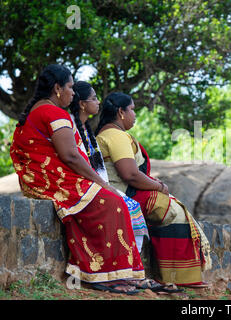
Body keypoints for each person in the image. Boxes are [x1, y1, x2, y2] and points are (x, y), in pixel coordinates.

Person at [10, 64, 144, 295]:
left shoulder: (45, 110)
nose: (73, 93)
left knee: (115, 201)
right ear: (57, 88)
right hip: (50, 179)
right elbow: (71, 156)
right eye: (70, 87)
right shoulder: (52, 112)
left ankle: (114, 273)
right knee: (111, 203)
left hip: (44, 177)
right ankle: (100, 274)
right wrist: (101, 183)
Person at [95, 92, 212, 288]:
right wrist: (159, 187)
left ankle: (173, 276)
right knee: (173, 211)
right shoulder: (115, 135)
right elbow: (130, 174)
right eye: (132, 109)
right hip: (122, 193)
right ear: (121, 112)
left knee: (173, 207)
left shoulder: (111, 134)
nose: (134, 114)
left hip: (125, 191)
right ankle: (176, 278)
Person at [68, 81, 149, 254]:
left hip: (97, 184)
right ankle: (125, 268)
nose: (98, 102)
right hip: (84, 185)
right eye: (94, 99)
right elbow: (73, 160)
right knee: (128, 207)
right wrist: (103, 186)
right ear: (82, 104)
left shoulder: (87, 130)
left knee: (132, 209)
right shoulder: (70, 126)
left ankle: (132, 268)